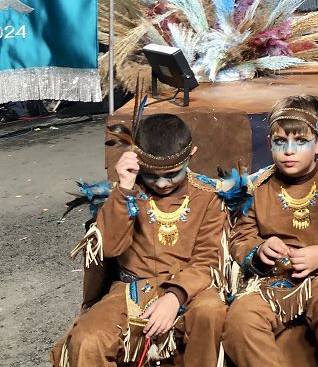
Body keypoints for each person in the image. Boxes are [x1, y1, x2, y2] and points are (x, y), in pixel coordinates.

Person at [54, 114, 228, 366]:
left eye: (171, 174)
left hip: (190, 288)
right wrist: (125, 187)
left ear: (192, 155)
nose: (161, 183)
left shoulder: (208, 196)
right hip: (130, 290)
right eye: (151, 175)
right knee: (87, 339)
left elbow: (208, 258)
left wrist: (174, 296)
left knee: (210, 312)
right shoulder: (124, 193)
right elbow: (109, 247)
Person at [223, 95, 318, 366]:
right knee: (240, 321)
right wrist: (260, 249)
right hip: (270, 280)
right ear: (269, 144)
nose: (289, 151)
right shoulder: (257, 186)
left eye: (300, 142)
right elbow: (240, 237)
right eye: (280, 142)